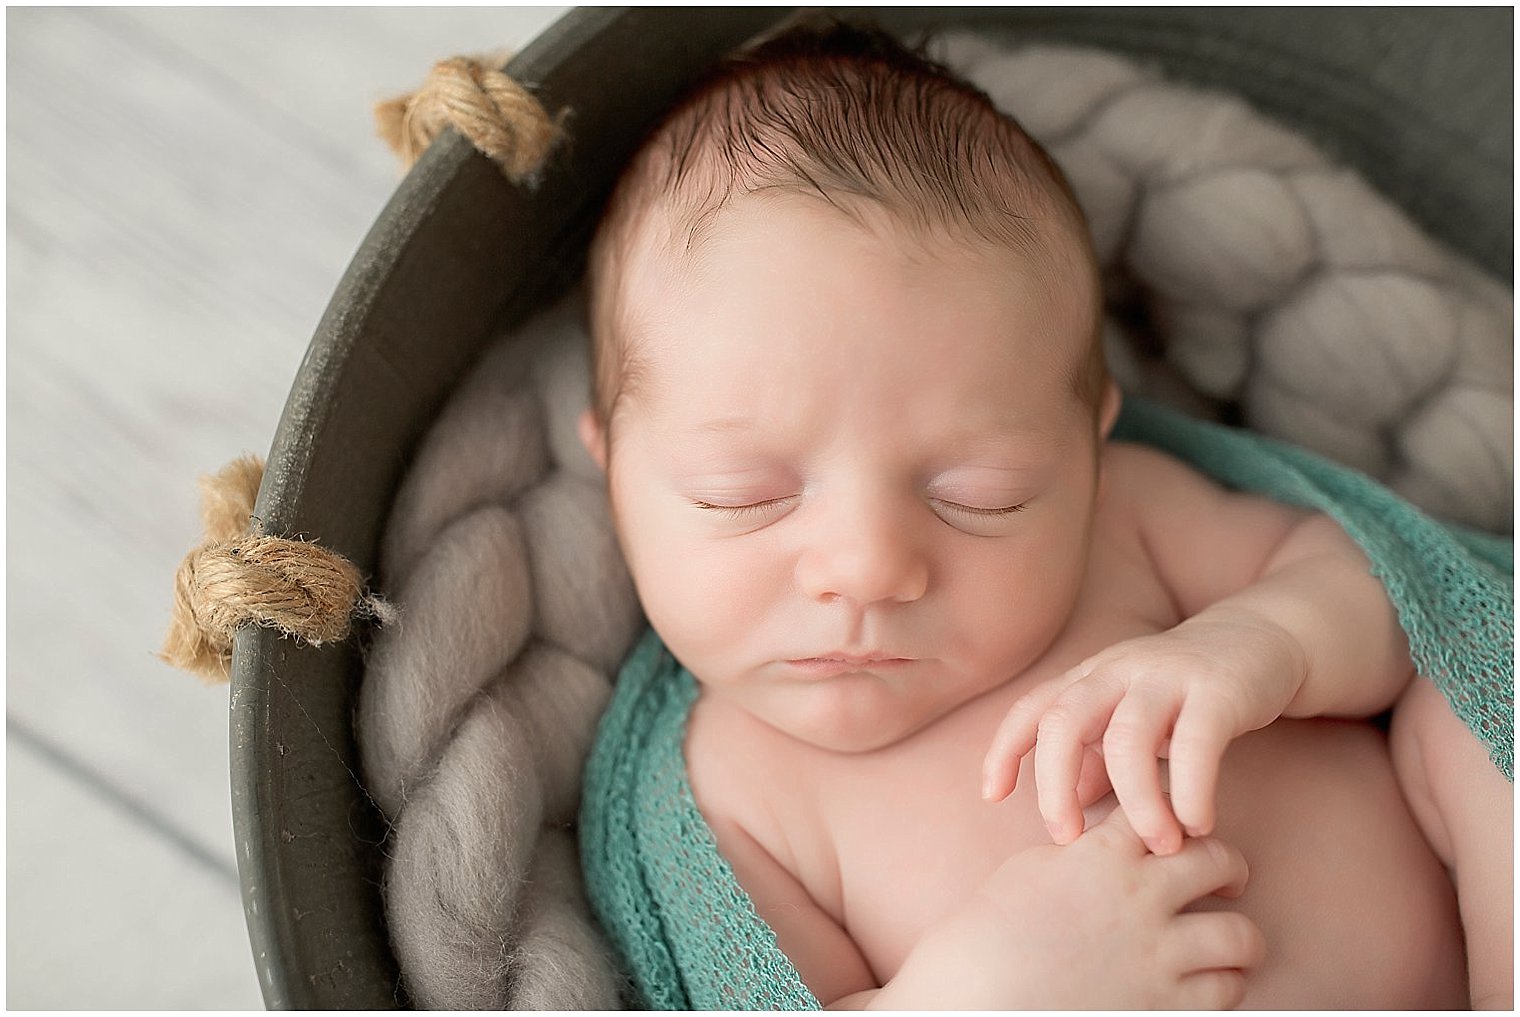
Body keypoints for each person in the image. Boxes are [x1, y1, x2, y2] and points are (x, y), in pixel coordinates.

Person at [575, 18, 1511, 1009]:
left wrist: (1257, 641)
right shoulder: (726, 791)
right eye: (743, 496)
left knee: (1475, 709)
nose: (864, 566)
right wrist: (983, 992)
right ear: (613, 470)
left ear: (1085, 450)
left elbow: (1397, 595)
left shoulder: (1121, 525)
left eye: (977, 495)